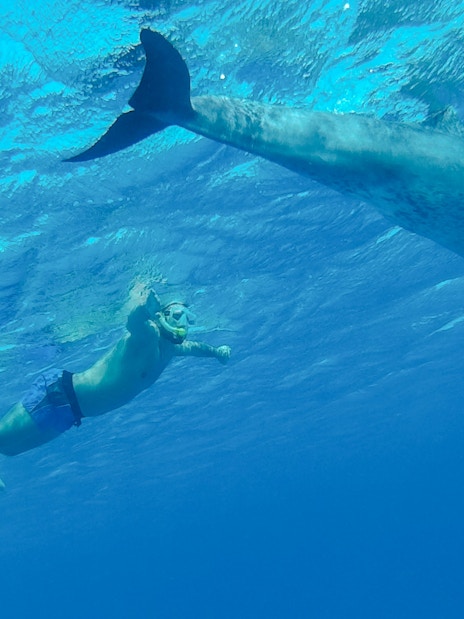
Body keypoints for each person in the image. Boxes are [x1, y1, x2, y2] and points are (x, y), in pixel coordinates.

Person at [0, 289, 231, 460]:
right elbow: (133, 321)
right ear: (163, 315)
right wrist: (145, 308)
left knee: (10, 449)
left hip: (73, 413)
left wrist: (217, 352)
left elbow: (194, 347)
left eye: (188, 318)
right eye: (178, 315)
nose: (184, 323)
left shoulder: (169, 350)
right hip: (60, 394)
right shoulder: (148, 335)